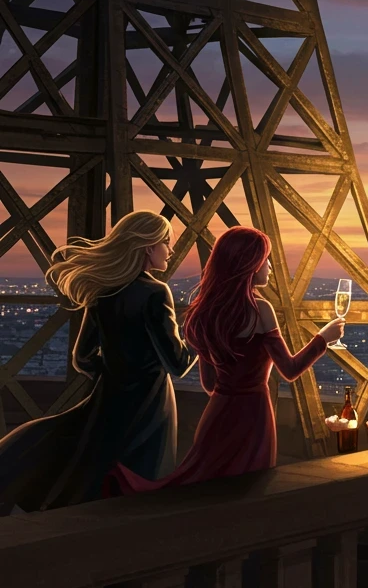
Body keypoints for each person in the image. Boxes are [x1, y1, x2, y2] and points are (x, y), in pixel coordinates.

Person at [108, 226, 344, 493]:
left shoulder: (206, 312)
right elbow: (290, 370)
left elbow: (210, 385)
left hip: (217, 416)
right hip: (255, 416)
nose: (269, 266)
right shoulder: (260, 309)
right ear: (249, 265)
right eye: (265, 259)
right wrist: (323, 338)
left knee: (208, 491)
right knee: (250, 491)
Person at [0, 211, 195, 513]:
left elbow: (82, 358)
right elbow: (178, 363)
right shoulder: (156, 292)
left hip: (110, 397)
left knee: (97, 470)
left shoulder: (104, 291)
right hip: (151, 401)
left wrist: (115, 377)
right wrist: (199, 337)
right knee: (144, 478)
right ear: (148, 247)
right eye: (166, 243)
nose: (170, 250)